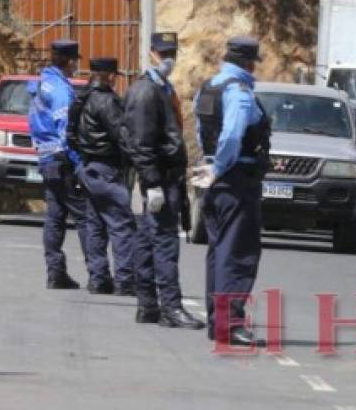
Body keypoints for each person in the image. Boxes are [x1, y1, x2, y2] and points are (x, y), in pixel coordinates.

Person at [122, 32, 203, 329]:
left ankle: (147, 306)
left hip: (165, 176)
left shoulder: (162, 88)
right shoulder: (146, 92)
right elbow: (141, 143)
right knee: (166, 242)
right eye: (163, 53)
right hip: (159, 178)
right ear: (151, 53)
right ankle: (171, 307)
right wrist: (153, 182)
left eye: (173, 53)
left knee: (145, 240)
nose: (169, 59)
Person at [193, 36, 270, 347]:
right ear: (249, 63)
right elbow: (232, 136)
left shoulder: (209, 86)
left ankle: (218, 321)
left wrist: (210, 166)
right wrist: (222, 167)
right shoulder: (239, 92)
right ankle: (230, 323)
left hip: (214, 178)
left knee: (219, 250)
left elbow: (202, 132)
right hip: (235, 178)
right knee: (237, 253)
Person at [68, 57, 137, 295]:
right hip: (106, 168)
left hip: (88, 168)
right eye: (114, 76)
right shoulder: (106, 101)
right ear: (109, 76)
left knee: (95, 225)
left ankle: (98, 279)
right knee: (122, 224)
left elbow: (71, 136)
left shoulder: (82, 98)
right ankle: (125, 280)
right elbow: (122, 136)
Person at [29, 39, 92, 290]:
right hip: (62, 160)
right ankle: (98, 274)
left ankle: (55, 273)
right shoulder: (60, 91)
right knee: (86, 217)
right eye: (75, 61)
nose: (76, 66)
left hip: (46, 159)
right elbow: (66, 131)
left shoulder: (41, 85)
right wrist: (79, 164)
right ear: (68, 61)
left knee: (55, 218)